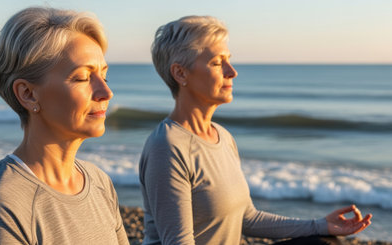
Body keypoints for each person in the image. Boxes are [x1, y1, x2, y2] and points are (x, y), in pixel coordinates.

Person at [139, 15, 372, 245]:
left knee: (324, 242)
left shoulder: (223, 137)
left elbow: (248, 218)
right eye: (218, 63)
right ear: (180, 73)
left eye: (228, 60)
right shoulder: (167, 147)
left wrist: (321, 225)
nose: (232, 71)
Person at [0, 7, 129, 244]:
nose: (106, 92)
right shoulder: (0, 204)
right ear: (28, 94)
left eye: (104, 76)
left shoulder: (99, 182)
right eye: (82, 77)